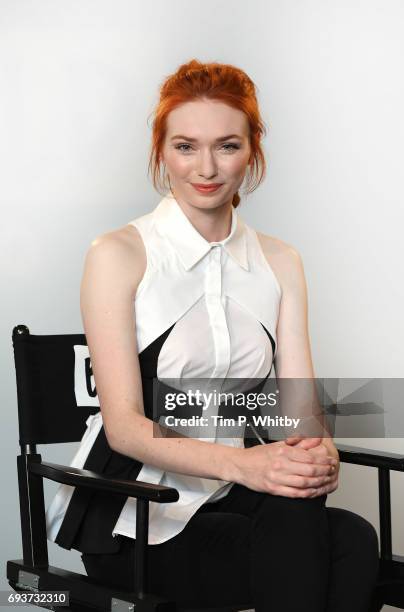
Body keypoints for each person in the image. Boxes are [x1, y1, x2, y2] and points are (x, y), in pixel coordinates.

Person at [45, 59, 380, 611]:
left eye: (226, 145)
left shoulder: (280, 260)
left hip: (227, 498)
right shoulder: (119, 254)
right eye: (185, 146)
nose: (206, 167)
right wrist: (248, 464)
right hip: (133, 508)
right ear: (161, 151)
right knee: (307, 536)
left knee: (351, 539)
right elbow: (125, 428)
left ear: (253, 152)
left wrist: (317, 454)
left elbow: (298, 411)